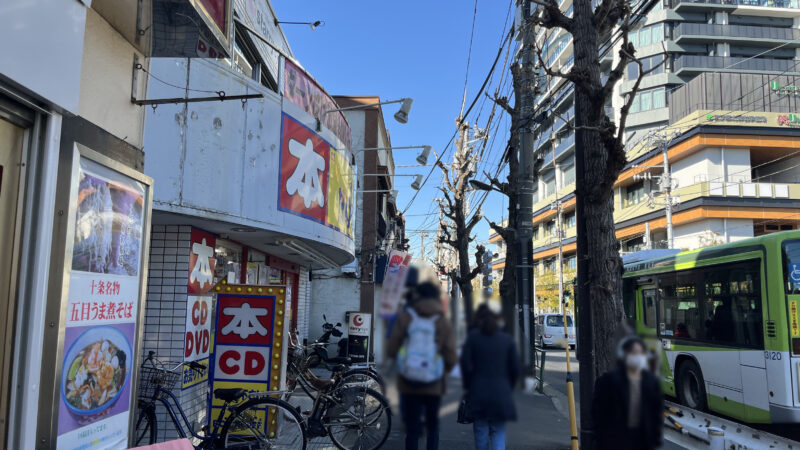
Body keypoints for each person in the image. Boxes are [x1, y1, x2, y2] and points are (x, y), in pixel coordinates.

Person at [387, 278, 457, 450]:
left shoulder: (406, 317)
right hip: (434, 382)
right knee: (432, 425)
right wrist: (441, 370)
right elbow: (451, 355)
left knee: (412, 427)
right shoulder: (442, 321)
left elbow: (391, 348)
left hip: (409, 381)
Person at [460, 304, 520, 450]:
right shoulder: (506, 339)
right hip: (500, 393)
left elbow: (465, 366)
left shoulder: (473, 338)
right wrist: (508, 387)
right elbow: (516, 369)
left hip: (478, 394)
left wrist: (468, 387)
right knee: (498, 432)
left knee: (481, 432)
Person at [592, 336, 664, 450]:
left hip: (642, 440)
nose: (638, 357)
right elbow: (599, 414)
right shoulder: (608, 381)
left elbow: (656, 413)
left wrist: (655, 440)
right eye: (634, 353)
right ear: (625, 355)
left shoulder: (650, 382)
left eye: (641, 353)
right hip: (615, 441)